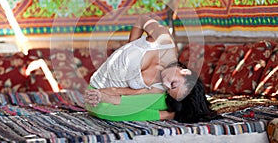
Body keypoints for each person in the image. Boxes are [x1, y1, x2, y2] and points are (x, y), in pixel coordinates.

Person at [84, 14, 216, 122]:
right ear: (185, 72)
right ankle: (171, 114)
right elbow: (142, 19)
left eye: (169, 89)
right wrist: (130, 46)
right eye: (173, 84)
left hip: (104, 95)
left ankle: (171, 113)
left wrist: (101, 95)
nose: (166, 84)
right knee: (158, 101)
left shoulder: (160, 87)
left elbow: (129, 92)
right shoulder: (164, 41)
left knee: (158, 98)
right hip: (97, 88)